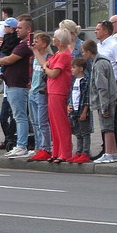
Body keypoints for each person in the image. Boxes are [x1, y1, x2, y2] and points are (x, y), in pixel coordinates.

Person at [0, 15, 33, 157]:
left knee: (20, 116)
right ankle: (21, 144)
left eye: (20, 28)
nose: (17, 30)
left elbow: (10, 59)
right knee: (19, 116)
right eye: (16, 27)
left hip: (18, 85)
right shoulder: (20, 43)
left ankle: (22, 145)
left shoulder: (25, 45)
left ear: (28, 29)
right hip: (11, 84)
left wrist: (1, 60)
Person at [81, 39, 117, 163]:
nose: (82, 55)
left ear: (88, 51)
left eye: (83, 52)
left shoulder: (99, 64)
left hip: (106, 101)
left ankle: (109, 153)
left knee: (106, 128)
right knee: (109, 127)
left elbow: (102, 87)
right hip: (109, 99)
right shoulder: (101, 61)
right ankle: (114, 153)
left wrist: (104, 107)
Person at [40, 28, 74, 163]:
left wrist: (46, 68)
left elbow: (54, 73)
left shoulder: (64, 55)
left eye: (54, 37)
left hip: (59, 90)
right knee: (54, 123)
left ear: (60, 41)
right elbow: (47, 63)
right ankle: (57, 151)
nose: (52, 39)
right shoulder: (57, 54)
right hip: (53, 90)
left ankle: (64, 152)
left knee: (61, 123)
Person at [27, 32, 53, 161]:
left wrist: (35, 51)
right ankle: (38, 146)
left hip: (41, 93)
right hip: (33, 91)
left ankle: (46, 147)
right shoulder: (33, 58)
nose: (34, 43)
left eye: (37, 41)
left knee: (42, 122)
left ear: (44, 44)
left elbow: (45, 66)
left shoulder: (48, 57)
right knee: (35, 122)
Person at [69, 57, 92, 163]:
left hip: (82, 110)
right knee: (77, 133)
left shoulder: (85, 81)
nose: (72, 69)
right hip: (74, 110)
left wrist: (84, 111)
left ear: (81, 69)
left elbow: (87, 98)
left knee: (85, 132)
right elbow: (72, 95)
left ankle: (85, 152)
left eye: (74, 67)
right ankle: (78, 152)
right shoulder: (74, 81)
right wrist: (69, 105)